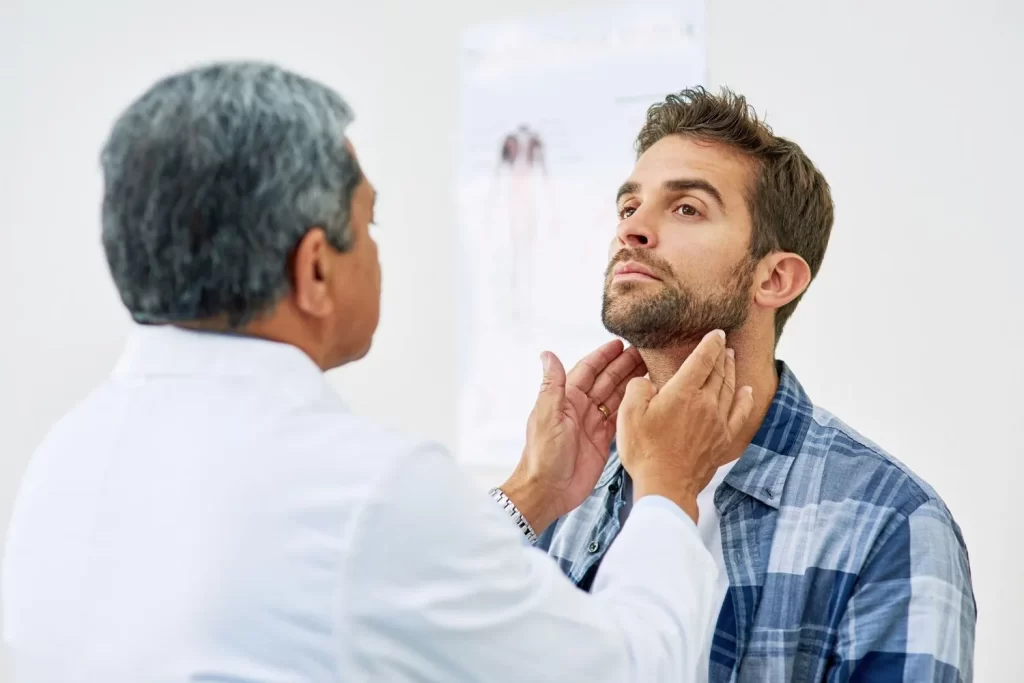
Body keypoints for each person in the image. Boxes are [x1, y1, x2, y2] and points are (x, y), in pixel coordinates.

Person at [0, 63, 756, 683]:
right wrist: (667, 490)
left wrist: (532, 493)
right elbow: (626, 668)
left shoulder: (68, 455)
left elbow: (343, 589)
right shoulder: (364, 490)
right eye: (370, 222)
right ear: (316, 269)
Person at [535, 87, 976, 682]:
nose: (632, 231)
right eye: (628, 207)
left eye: (686, 207)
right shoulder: (570, 486)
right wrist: (533, 490)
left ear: (774, 278)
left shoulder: (890, 524)